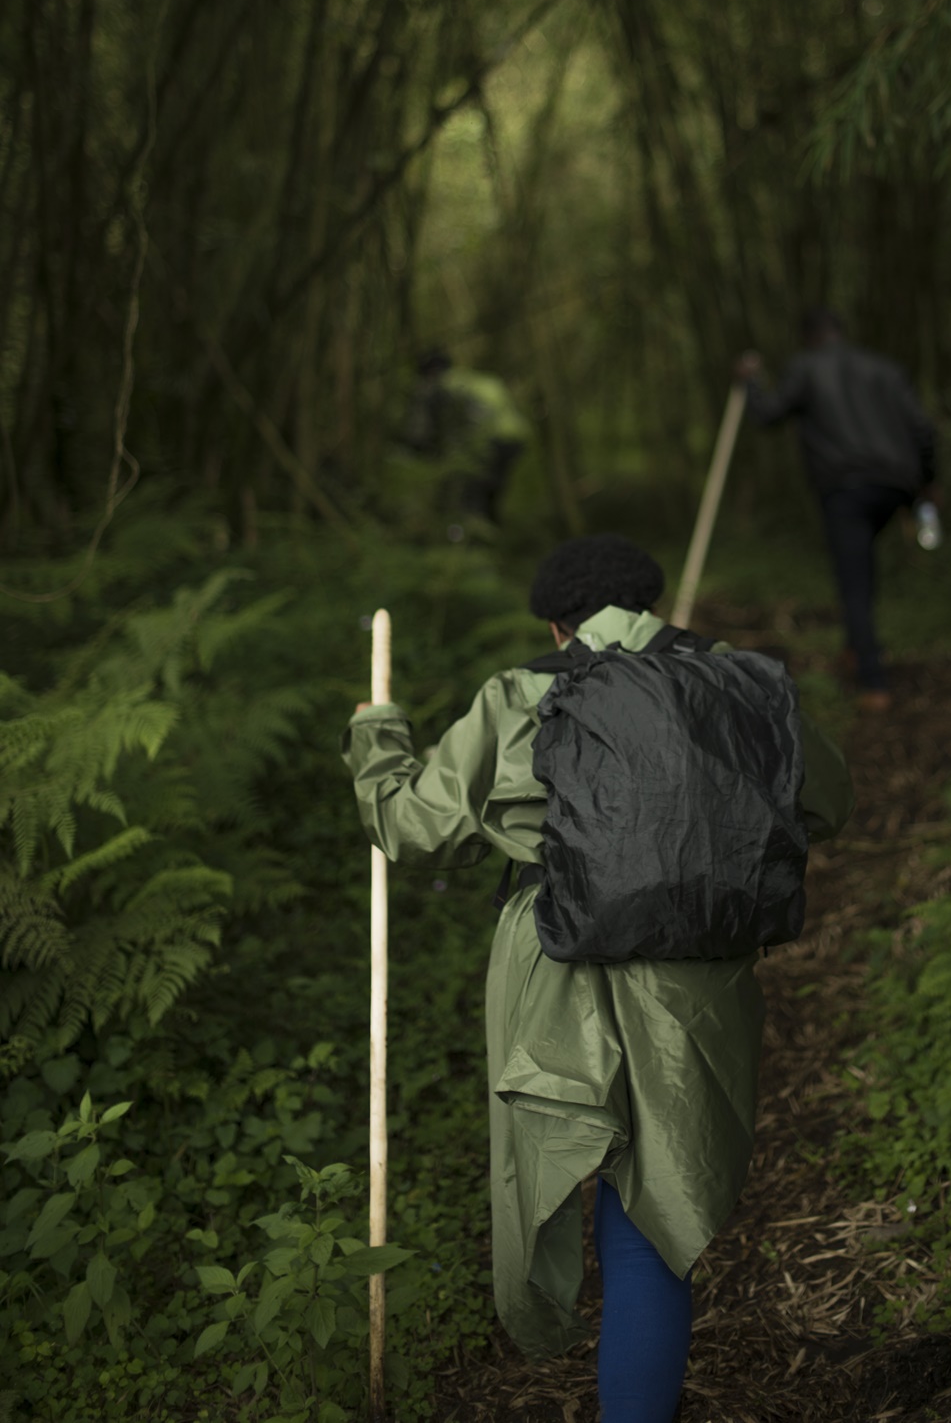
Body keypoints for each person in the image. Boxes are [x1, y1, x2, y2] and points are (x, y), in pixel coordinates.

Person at [342, 533, 851, 1422]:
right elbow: (828, 801)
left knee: (561, 1161)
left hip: (556, 965)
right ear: (652, 603)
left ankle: (548, 1315)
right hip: (698, 979)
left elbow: (414, 827)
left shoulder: (519, 694)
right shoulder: (730, 681)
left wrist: (376, 736)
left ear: (556, 622)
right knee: (653, 1217)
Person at [736, 308, 937, 709]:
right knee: (859, 568)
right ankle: (853, 650)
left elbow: (768, 414)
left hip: (847, 488)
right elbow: (923, 429)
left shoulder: (806, 367)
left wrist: (750, 382)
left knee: (854, 583)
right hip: (895, 486)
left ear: (809, 337)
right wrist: (929, 484)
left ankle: (874, 683)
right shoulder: (885, 369)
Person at [402, 347, 530, 523]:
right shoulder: (479, 380)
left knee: (473, 488)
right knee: (491, 489)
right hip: (515, 436)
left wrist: (417, 444)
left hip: (488, 440)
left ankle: (471, 532)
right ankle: (488, 531)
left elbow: (427, 424)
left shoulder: (443, 384)